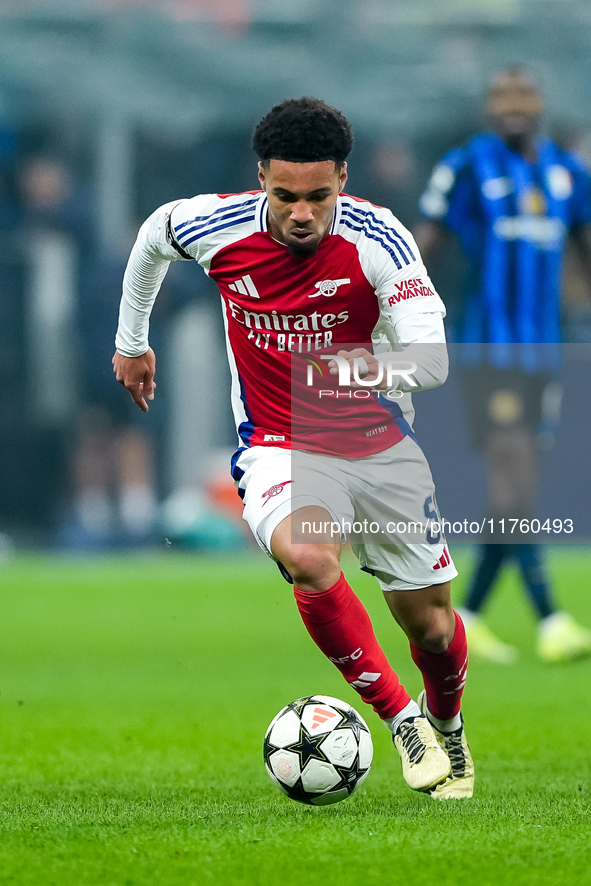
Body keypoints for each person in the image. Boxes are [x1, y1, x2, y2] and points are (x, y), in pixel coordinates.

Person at [112, 97, 473, 799]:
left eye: (317, 196)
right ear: (260, 181)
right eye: (284, 197)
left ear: (342, 178)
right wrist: (131, 344)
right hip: (276, 442)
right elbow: (154, 235)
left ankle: (448, 726)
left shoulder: (380, 240)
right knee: (309, 555)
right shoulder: (215, 225)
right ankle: (401, 720)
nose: (300, 213)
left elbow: (431, 361)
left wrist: (347, 368)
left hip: (376, 446)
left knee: (429, 628)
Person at [416, 67, 591, 664]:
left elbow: (585, 252)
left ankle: (467, 616)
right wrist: (396, 310)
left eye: (523, 96)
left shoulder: (569, 174)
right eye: (500, 97)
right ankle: (551, 618)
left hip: (547, 351)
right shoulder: (467, 167)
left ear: (541, 103)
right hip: (487, 349)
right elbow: (426, 245)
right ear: (487, 108)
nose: (512, 106)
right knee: (514, 471)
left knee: (513, 489)